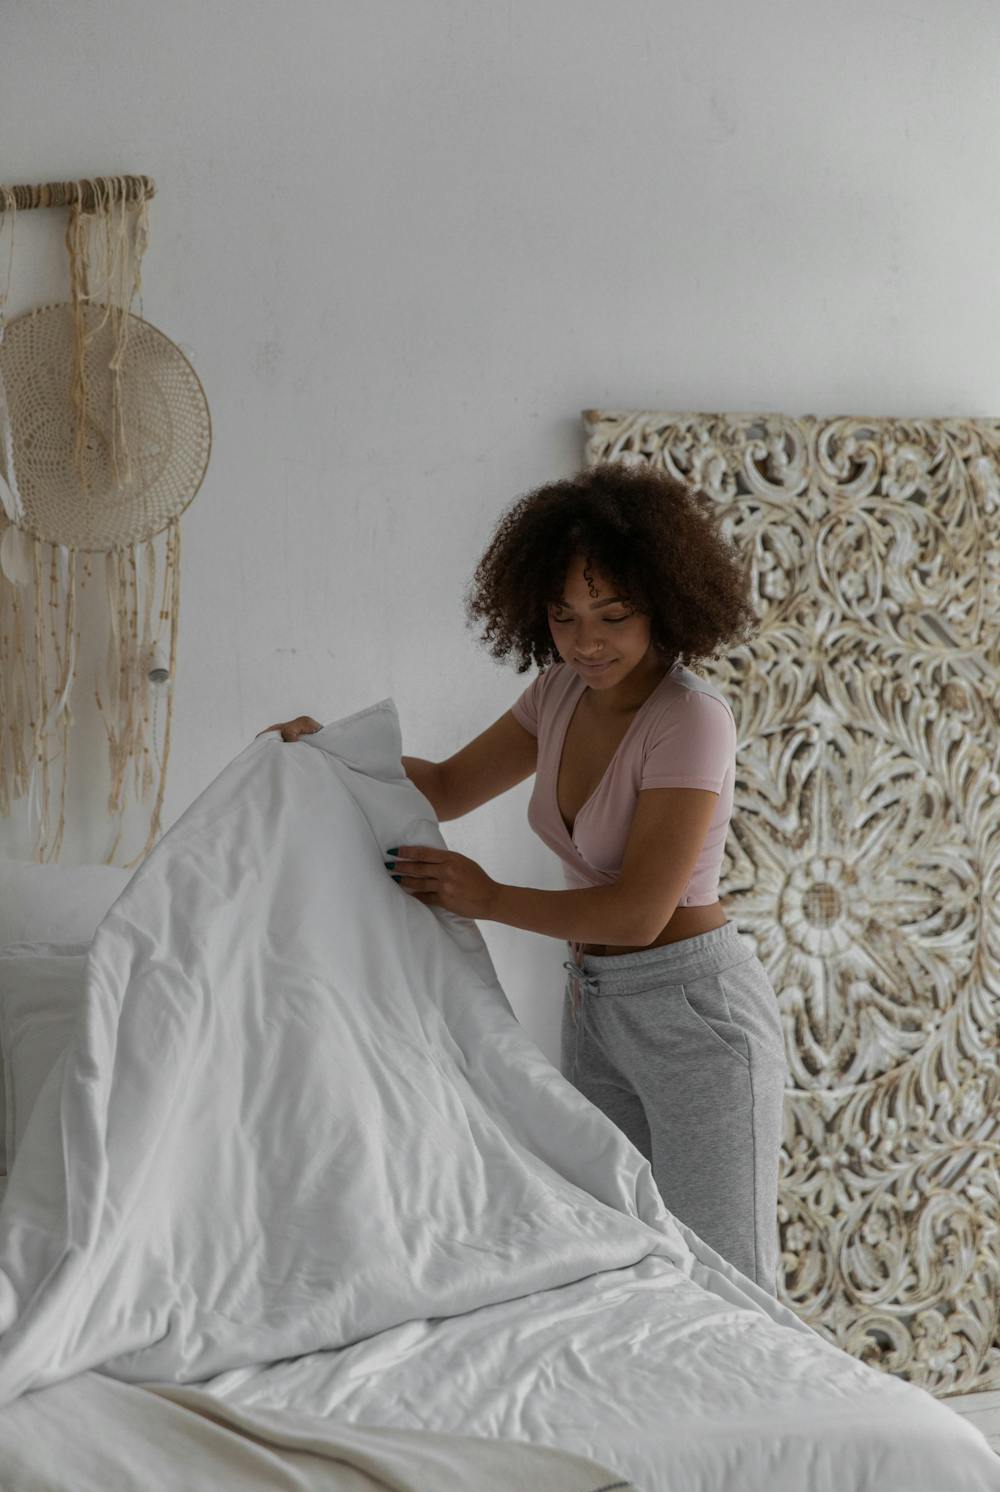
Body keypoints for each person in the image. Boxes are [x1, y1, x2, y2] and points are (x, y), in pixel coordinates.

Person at [259, 461, 787, 1295]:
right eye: (564, 617)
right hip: (596, 1007)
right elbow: (446, 786)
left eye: (612, 615)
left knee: (731, 1276)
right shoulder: (557, 694)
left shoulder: (690, 721)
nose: (587, 642)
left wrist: (488, 898)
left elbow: (642, 913)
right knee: (633, 1259)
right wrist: (329, 749)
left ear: (663, 601)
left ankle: (782, 1427)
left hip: (696, 1017)